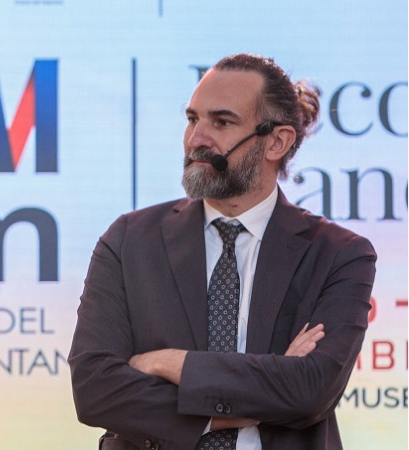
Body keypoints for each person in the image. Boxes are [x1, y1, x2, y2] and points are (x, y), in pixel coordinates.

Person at [68, 53, 376, 449]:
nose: (196, 139)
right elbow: (96, 389)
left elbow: (310, 389)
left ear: (277, 141)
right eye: (192, 119)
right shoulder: (130, 240)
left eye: (222, 122)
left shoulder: (339, 254)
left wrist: (168, 362)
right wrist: (244, 404)